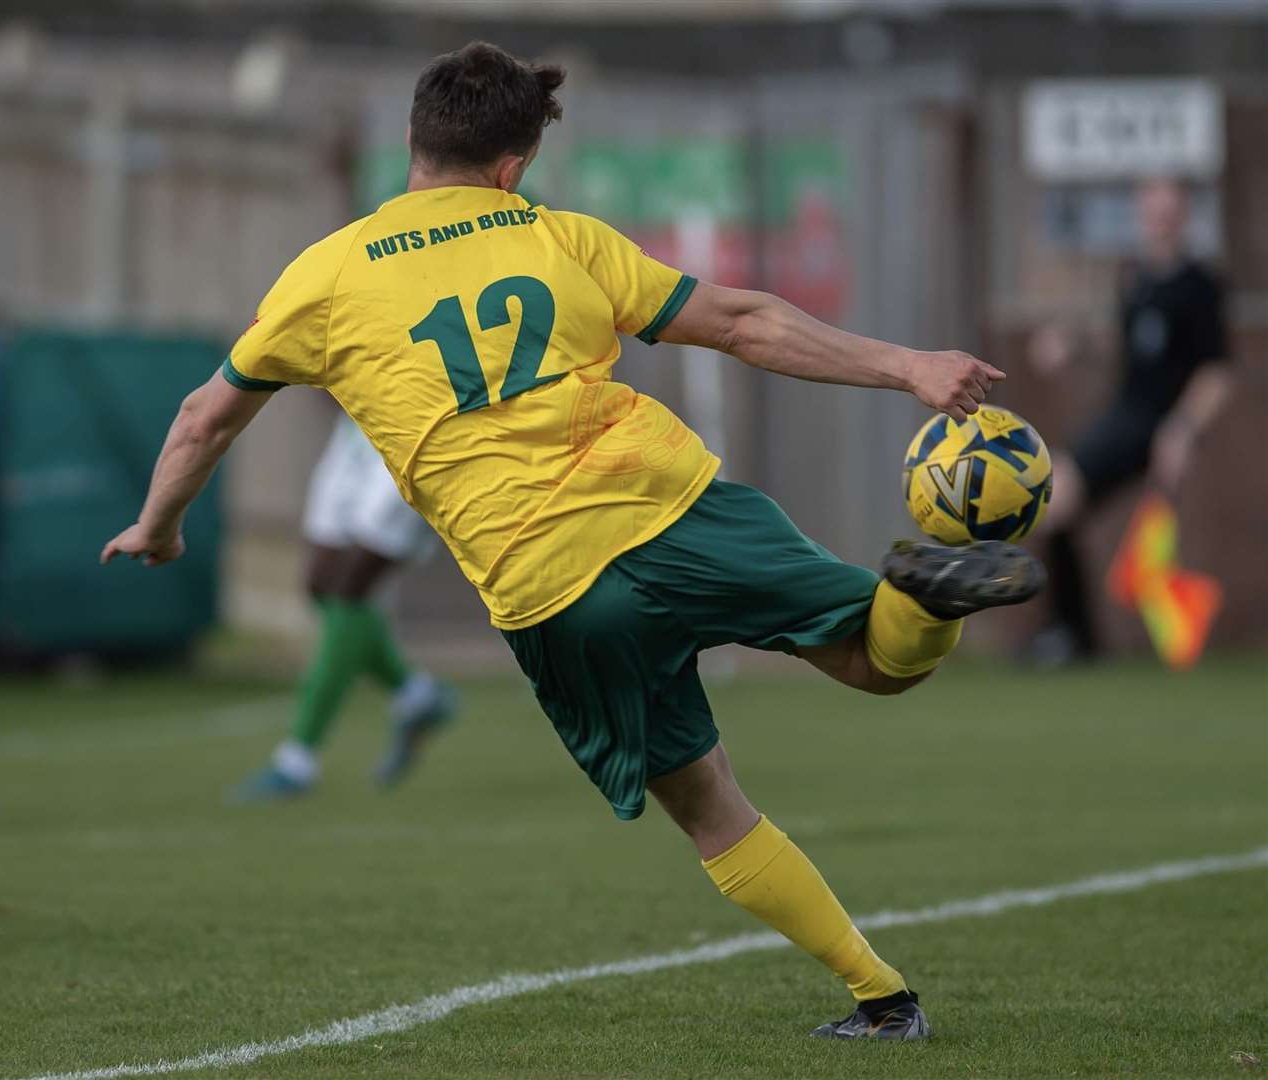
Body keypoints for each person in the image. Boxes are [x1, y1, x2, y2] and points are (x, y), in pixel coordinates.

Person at [102, 42, 1041, 1040]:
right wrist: (905, 368)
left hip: (548, 585)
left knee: (705, 801)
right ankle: (926, 597)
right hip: (674, 506)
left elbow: (204, 417)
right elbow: (740, 321)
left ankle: (883, 999)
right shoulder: (563, 239)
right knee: (873, 660)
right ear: (511, 167)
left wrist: (157, 528)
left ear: (413, 145)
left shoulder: (326, 275)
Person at [1027, 177, 1232, 665]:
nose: (1161, 218)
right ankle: (1075, 636)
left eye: (1170, 210)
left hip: (1154, 426)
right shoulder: (1134, 276)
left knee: (1058, 501)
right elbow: (1118, 346)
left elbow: (1217, 373)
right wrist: (1071, 346)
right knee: (1054, 503)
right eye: (1152, 208)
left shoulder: (1200, 286)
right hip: (1122, 416)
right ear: (1141, 213)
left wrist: (1181, 430)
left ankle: (1071, 636)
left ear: (1183, 216)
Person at [234, 412, 455, 800]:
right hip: (357, 422)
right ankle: (416, 696)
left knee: (349, 586)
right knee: (320, 582)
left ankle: (297, 760)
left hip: (418, 427)